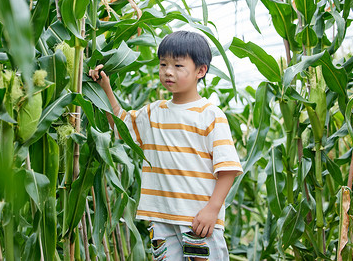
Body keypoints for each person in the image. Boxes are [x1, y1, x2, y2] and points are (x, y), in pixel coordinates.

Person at [89, 31, 243, 260]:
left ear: (201, 71)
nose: (168, 71)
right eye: (163, 64)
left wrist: (212, 209)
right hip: (161, 220)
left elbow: (228, 168)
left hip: (198, 221)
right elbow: (121, 126)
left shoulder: (211, 115)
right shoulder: (153, 112)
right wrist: (105, 89)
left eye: (178, 65)